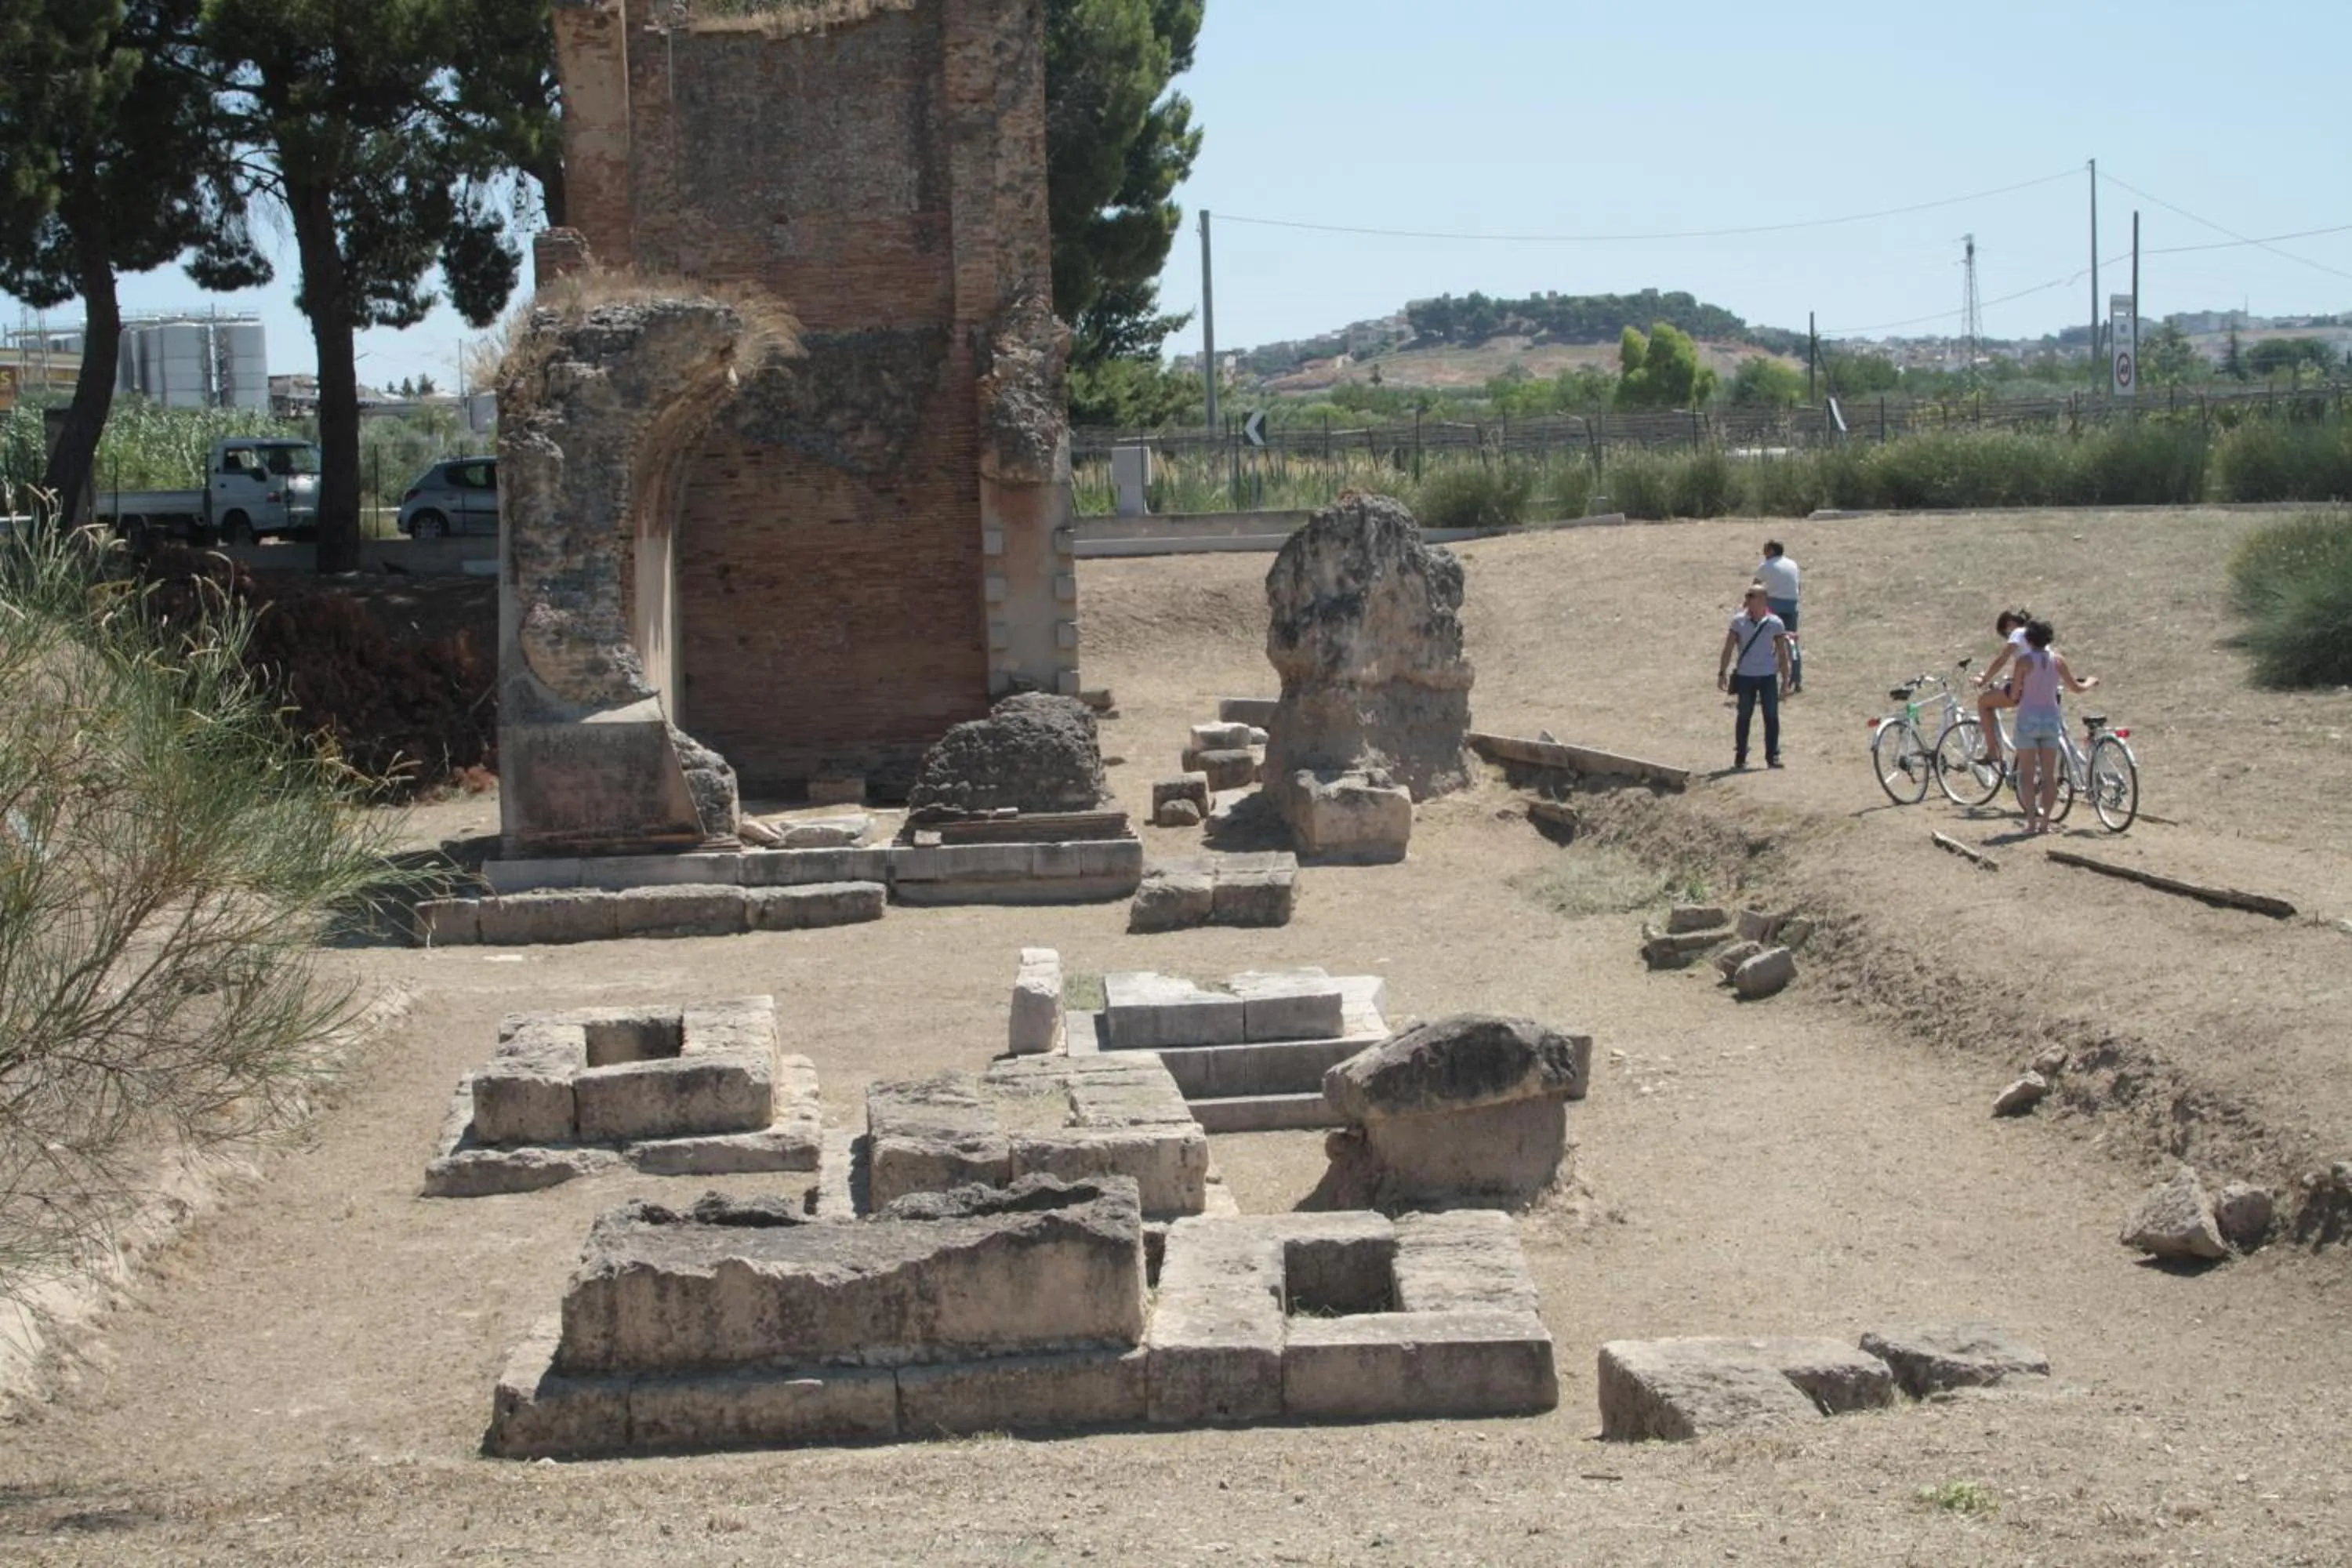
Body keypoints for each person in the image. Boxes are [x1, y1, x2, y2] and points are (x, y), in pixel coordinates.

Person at [2011, 619, 2099, 835]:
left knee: (2027, 773)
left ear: (2029, 639)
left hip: (2028, 718)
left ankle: (2031, 821)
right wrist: (2090, 681)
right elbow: (2076, 688)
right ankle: (2045, 823)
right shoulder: (2058, 661)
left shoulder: (2023, 662)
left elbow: (2014, 695)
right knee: (2049, 775)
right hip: (2051, 718)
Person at [1716, 583, 1794, 770]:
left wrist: (1785, 678)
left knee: (1772, 717)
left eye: (1752, 596)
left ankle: (1772, 756)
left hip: (1768, 675)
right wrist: (1722, 672)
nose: (1748, 599)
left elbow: (1782, 653)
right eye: (1748, 596)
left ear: (1763, 599)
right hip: (1746, 676)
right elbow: (1728, 648)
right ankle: (1740, 755)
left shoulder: (1775, 623)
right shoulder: (1738, 622)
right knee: (1744, 716)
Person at [1969, 608, 2034, 768]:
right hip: (2046, 686)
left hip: (2027, 689)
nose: (2007, 637)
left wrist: (1984, 680)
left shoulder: (2018, 633)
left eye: (2005, 633)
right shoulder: (2036, 633)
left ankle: (1993, 752)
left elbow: (2001, 660)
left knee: (1984, 702)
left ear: (2010, 624)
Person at [1756, 540, 1802, 692]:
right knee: (1792, 642)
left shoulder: (1767, 566)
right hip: (1792, 605)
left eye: (1765, 550)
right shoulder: (1793, 564)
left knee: (1768, 641)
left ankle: (1769, 677)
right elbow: (1798, 586)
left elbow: (1755, 587)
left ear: (1771, 551)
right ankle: (1796, 679)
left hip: (1774, 605)